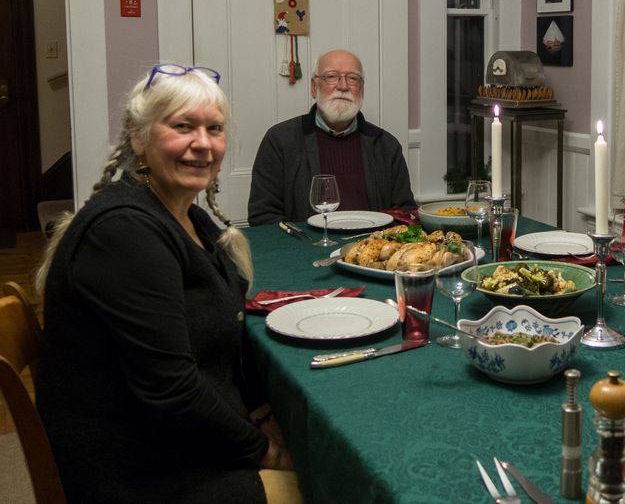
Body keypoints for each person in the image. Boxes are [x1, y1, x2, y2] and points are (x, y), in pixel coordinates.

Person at [35, 64, 300, 504]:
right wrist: (267, 451)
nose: (202, 143)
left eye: (214, 129)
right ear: (139, 137)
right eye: (183, 126)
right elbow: (172, 390)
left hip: (169, 439)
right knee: (325, 480)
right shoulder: (123, 232)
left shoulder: (186, 216)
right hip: (138, 470)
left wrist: (258, 408)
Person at [248, 49, 415, 225]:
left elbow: (404, 213)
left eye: (353, 78)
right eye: (331, 76)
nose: (343, 86)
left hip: (371, 248)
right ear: (314, 87)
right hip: (307, 248)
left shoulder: (386, 145)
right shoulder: (280, 140)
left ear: (362, 89)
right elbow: (263, 216)